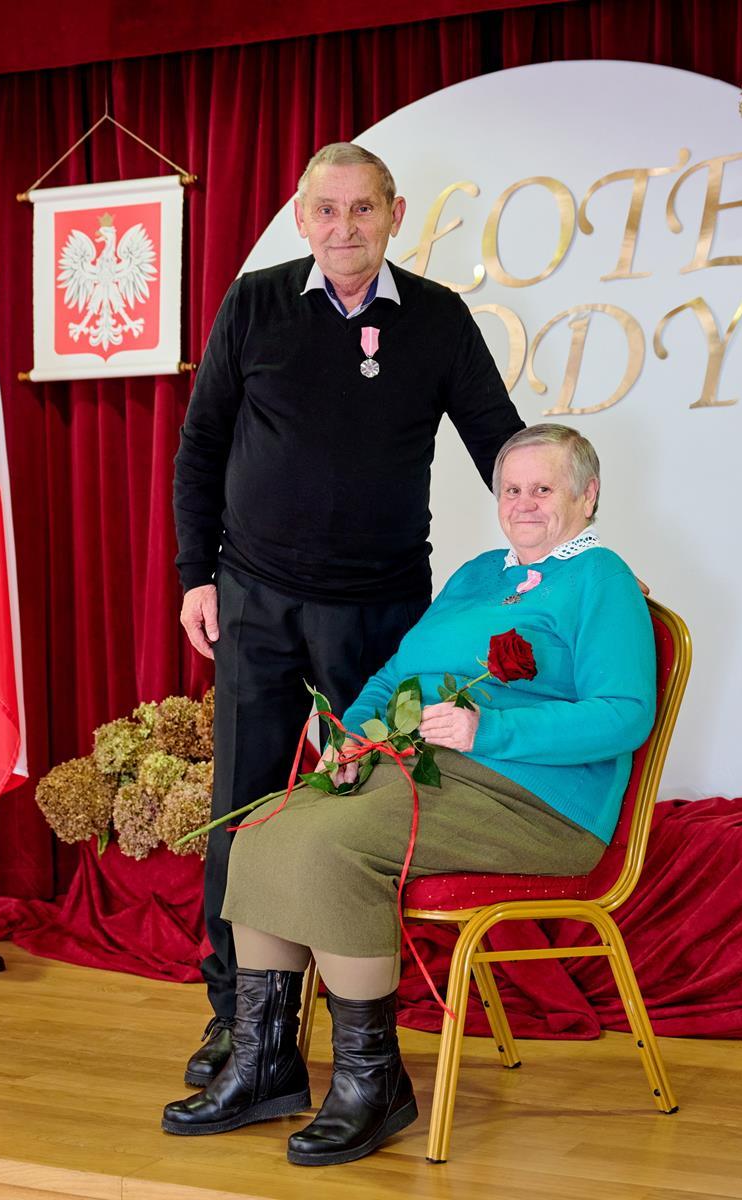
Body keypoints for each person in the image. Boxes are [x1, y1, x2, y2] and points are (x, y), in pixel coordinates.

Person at [162, 424, 656, 1166]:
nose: (523, 503)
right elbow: (396, 676)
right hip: (423, 770)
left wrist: (489, 730)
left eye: (543, 488)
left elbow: (624, 715)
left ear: (588, 496)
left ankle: (372, 1081)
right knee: (263, 825)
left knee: (332, 844)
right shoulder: (477, 575)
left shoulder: (603, 579)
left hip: (533, 803)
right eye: (511, 489)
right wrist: (351, 735)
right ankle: (263, 1064)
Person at [172, 142, 524, 1089]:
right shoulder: (254, 304)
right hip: (254, 601)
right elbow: (201, 447)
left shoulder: (439, 320)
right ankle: (242, 1025)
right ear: (302, 218)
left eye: (363, 209)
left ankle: (363, 1029)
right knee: (244, 810)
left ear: (395, 215)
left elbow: (502, 446)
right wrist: (196, 576)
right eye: (326, 211)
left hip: (380, 612)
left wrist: (564, 549)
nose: (344, 228)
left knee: (366, 808)